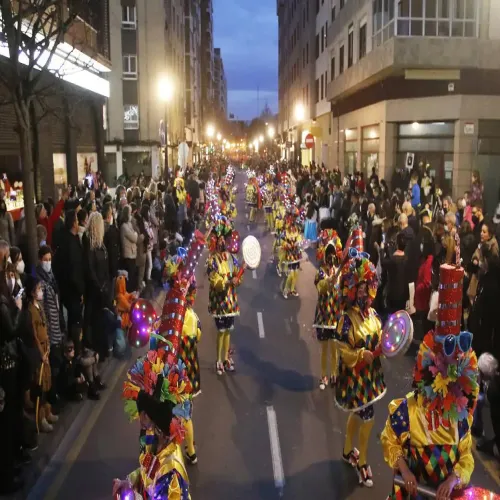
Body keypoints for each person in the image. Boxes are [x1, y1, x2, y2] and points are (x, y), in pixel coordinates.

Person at [381, 265, 478, 499]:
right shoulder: (409, 410)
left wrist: (453, 479)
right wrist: (405, 471)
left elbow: (466, 457)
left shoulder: (460, 416)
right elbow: (390, 440)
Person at [335, 252, 385, 488]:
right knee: (367, 416)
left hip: (370, 377)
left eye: (367, 287)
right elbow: (342, 348)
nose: (364, 292)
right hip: (355, 378)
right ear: (352, 289)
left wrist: (384, 346)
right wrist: (359, 355)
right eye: (360, 288)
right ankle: (362, 461)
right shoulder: (346, 319)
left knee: (359, 413)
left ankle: (347, 451)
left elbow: (379, 337)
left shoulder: (373, 315)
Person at [0, 243, 25, 494]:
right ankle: (6, 477)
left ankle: (12, 464)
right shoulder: (3, 300)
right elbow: (11, 328)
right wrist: (17, 310)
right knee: (6, 424)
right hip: (5, 364)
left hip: (10, 361)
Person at [206, 216, 244, 375]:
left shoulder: (232, 258)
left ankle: (226, 358)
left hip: (230, 302)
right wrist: (229, 282)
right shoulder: (212, 261)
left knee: (228, 331)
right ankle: (219, 360)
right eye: (219, 239)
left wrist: (238, 280)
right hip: (218, 302)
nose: (222, 242)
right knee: (221, 332)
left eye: (224, 239)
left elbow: (238, 276)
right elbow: (215, 281)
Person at [25, 276, 58, 433]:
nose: (41, 291)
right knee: (40, 386)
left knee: (47, 382)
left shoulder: (40, 307)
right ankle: (41, 418)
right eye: (38, 289)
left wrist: (49, 345)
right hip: (40, 352)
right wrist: (41, 354)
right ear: (32, 292)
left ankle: (48, 412)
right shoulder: (31, 311)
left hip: (46, 348)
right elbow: (34, 335)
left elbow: (45, 327)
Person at [313, 229, 342, 390]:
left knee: (335, 348)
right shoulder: (321, 272)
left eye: (333, 255)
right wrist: (329, 280)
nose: (331, 258)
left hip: (336, 315)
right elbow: (320, 288)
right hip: (324, 315)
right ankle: (323, 375)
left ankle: (334, 375)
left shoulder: (340, 272)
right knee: (324, 348)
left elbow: (343, 290)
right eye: (328, 255)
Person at [36, 245, 65, 402]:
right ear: (40, 260)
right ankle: (52, 397)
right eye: (45, 260)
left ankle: (56, 393)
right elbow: (43, 308)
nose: (48, 263)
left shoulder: (51, 276)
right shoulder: (40, 281)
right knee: (52, 364)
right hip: (49, 328)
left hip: (56, 324)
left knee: (57, 361)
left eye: (50, 259)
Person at [83, 212, 111, 358]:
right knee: (94, 320)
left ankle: (103, 348)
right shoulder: (88, 241)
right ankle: (95, 348)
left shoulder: (101, 243)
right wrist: (99, 286)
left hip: (102, 286)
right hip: (94, 289)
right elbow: (90, 267)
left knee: (101, 319)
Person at [280, 209, 303, 299]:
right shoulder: (286, 230)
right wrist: (287, 244)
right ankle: (286, 290)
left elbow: (300, 238)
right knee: (290, 275)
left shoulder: (297, 229)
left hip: (296, 255)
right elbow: (282, 241)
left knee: (296, 274)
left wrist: (298, 242)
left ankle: (292, 289)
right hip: (289, 255)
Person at [120, 205, 139, 292]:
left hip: (133, 253)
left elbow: (135, 234)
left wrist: (135, 233)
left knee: (133, 275)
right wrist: (135, 233)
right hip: (128, 254)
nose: (131, 214)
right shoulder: (124, 226)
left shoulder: (129, 224)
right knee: (130, 277)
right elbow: (134, 237)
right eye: (130, 212)